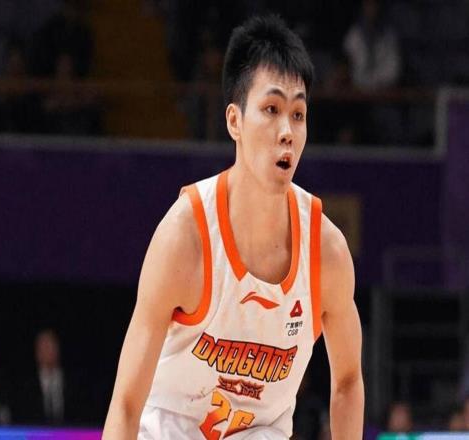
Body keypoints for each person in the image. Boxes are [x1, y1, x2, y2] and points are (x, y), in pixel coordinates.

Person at [104, 15, 364, 440]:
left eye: (298, 114)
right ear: (234, 121)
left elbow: (349, 381)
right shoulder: (184, 237)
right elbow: (126, 404)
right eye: (271, 109)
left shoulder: (326, 251)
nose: (287, 131)